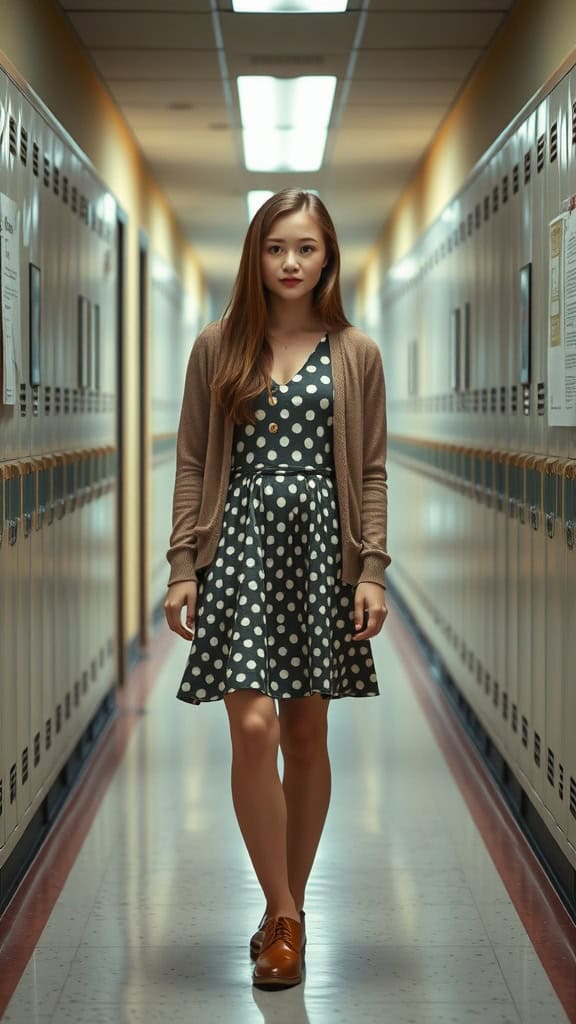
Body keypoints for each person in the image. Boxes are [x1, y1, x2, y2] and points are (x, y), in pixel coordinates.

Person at [163, 188, 391, 990]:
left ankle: (284, 918)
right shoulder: (217, 346)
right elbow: (194, 460)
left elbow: (368, 471)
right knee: (253, 731)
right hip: (242, 552)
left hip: (322, 555)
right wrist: (182, 564)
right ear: (254, 256)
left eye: (306, 248)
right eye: (275, 248)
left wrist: (371, 570)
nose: (291, 263)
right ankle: (283, 910)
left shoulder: (355, 351)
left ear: (329, 256)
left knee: (304, 736)